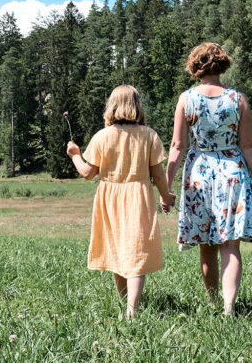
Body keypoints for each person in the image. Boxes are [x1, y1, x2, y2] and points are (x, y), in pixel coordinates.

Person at [165, 42, 252, 316]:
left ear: (195, 66)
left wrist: (166, 183)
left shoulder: (186, 99)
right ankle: (228, 307)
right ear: (222, 64)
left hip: (199, 174)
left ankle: (213, 302)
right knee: (230, 243)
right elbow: (248, 146)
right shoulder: (238, 99)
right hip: (232, 173)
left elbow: (177, 146)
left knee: (206, 244)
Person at [66, 85, 174, 318]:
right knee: (136, 251)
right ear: (137, 105)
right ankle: (131, 309)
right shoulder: (149, 135)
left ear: (111, 106)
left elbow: (87, 172)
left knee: (118, 251)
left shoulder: (102, 136)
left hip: (110, 199)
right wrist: (167, 197)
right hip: (139, 196)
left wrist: (75, 155)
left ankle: (128, 306)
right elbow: (158, 174)